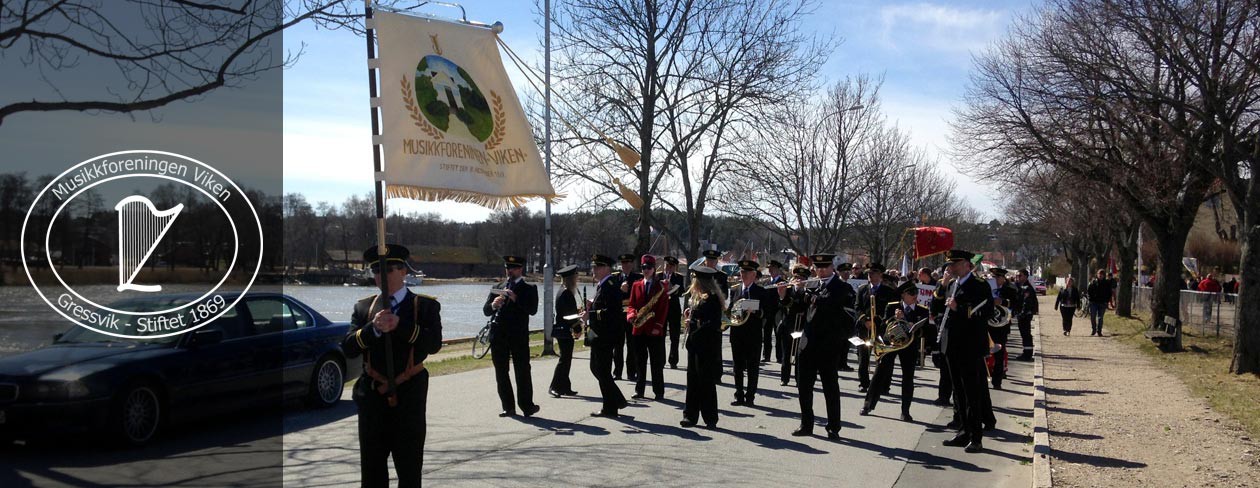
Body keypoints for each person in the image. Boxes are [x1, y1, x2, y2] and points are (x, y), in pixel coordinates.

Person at [344, 244, 443, 488]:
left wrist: (400, 325)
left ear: (403, 272)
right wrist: (373, 329)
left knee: (409, 468)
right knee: (372, 469)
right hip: (372, 395)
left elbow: (433, 345)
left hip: (409, 394)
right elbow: (348, 346)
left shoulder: (425, 305)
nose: (381, 276)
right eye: (376, 271)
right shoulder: (364, 307)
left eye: (388, 270)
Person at [793, 253, 856, 440]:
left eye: (824, 267)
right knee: (803, 385)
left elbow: (830, 305)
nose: (820, 271)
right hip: (808, 342)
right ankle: (806, 424)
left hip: (829, 344)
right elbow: (798, 310)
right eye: (817, 268)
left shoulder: (842, 287)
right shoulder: (812, 285)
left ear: (831, 268)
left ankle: (833, 426)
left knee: (830, 387)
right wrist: (791, 294)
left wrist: (807, 294)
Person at [939, 249, 994, 453]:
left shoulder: (979, 285)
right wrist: (942, 287)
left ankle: (976, 438)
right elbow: (939, 309)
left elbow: (986, 311)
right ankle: (963, 432)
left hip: (970, 346)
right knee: (958, 392)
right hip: (952, 345)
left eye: (955, 264)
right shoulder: (952, 285)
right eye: (950, 264)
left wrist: (959, 308)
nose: (950, 267)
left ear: (966, 264)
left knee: (972, 393)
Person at [860, 281, 928, 421]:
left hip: (908, 347)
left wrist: (909, 323)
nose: (914, 296)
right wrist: (894, 319)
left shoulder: (922, 310)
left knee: (908, 378)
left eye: (916, 293)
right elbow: (884, 325)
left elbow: (926, 331)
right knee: (880, 373)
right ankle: (868, 404)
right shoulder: (892, 307)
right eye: (910, 294)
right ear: (903, 295)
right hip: (890, 345)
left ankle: (905, 411)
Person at [482, 256, 540, 418]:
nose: (510, 271)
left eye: (513, 268)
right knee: (501, 371)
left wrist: (516, 299)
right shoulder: (497, 287)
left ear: (520, 269)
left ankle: (527, 405)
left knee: (522, 371)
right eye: (508, 268)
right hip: (498, 335)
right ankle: (508, 407)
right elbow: (486, 310)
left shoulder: (529, 288)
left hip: (518, 336)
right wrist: (494, 305)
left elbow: (532, 309)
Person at [582, 254, 628, 418]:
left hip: (606, 336)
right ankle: (617, 400)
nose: (594, 270)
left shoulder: (610, 285)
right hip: (599, 334)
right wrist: (590, 306)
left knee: (602, 370)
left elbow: (612, 312)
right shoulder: (603, 285)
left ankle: (610, 407)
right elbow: (601, 307)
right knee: (597, 369)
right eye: (594, 267)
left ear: (607, 268)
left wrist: (591, 315)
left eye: (597, 267)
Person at [680, 265, 725, 429]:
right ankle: (690, 415)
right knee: (692, 381)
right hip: (695, 344)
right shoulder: (697, 297)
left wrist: (692, 323)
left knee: (705, 382)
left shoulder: (711, 299)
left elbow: (710, 324)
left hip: (705, 345)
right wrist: (690, 318)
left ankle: (710, 417)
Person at [627, 255, 670, 400]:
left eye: (649, 268)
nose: (646, 270)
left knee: (656, 362)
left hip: (654, 329)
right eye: (644, 268)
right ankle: (639, 390)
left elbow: (664, 308)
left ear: (654, 269)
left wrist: (658, 326)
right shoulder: (636, 285)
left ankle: (659, 391)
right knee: (640, 361)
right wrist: (631, 315)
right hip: (638, 328)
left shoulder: (660, 287)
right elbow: (631, 304)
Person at [729, 259, 768, 406]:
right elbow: (731, 310)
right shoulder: (735, 290)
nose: (743, 274)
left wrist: (756, 311)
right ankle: (738, 394)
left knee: (752, 367)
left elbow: (766, 314)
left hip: (753, 334)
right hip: (737, 333)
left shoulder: (761, 292)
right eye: (742, 272)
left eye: (747, 272)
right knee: (737, 367)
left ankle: (750, 396)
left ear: (753, 275)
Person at [856, 263, 899, 393]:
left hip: (881, 328)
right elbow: (857, 307)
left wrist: (879, 321)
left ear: (880, 275)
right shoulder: (862, 289)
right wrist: (865, 320)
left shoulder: (889, 291)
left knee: (884, 358)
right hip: (865, 328)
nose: (870, 275)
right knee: (863, 357)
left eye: (873, 273)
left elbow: (892, 310)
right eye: (869, 273)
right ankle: (864, 383)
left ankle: (884, 385)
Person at [549, 265, 581, 398]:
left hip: (562, 328)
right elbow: (569, 315)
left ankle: (565, 386)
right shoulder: (566, 293)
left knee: (567, 358)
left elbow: (569, 311)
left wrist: (577, 312)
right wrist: (577, 327)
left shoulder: (563, 291)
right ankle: (554, 386)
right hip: (564, 329)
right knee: (564, 359)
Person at [778, 264, 812, 386]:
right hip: (788, 326)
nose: (799, 280)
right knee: (786, 354)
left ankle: (799, 378)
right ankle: (784, 378)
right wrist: (782, 296)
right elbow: (783, 305)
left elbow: (805, 308)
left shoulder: (809, 292)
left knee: (800, 354)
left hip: (802, 327)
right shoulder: (787, 290)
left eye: (803, 278)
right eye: (797, 277)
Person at [613, 254, 644, 381]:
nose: (625, 266)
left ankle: (631, 372)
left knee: (632, 345)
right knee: (618, 345)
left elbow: (641, 297)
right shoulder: (615, 278)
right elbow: (612, 297)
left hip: (632, 315)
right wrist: (620, 290)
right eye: (623, 263)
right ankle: (617, 372)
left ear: (632, 264)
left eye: (628, 263)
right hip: (619, 316)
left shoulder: (638, 278)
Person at [988, 268, 1017, 389]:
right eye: (993, 277)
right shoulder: (986, 289)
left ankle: (997, 381)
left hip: (1001, 326)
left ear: (1002, 278)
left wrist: (1003, 302)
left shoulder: (1010, 290)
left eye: (996, 278)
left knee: (999, 354)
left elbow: (1016, 305)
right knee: (984, 352)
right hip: (987, 325)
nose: (994, 280)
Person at [663, 256, 685, 369]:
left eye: (671, 266)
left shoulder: (679, 278)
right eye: (667, 265)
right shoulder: (658, 276)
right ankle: (660, 360)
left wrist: (673, 289)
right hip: (661, 309)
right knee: (660, 335)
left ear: (675, 267)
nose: (668, 268)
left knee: (674, 336)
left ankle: (673, 360)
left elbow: (682, 291)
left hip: (674, 309)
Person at [835, 262, 857, 372]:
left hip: (848, 320)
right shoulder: (836, 284)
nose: (847, 273)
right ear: (839, 272)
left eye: (849, 271)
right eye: (845, 271)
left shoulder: (848, 286)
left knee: (846, 343)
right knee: (837, 344)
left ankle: (843, 363)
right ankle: (836, 363)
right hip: (838, 319)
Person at [1013, 269, 1039, 361]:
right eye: (1017, 276)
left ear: (1025, 277)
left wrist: (1022, 314)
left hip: (1025, 315)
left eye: (1020, 276)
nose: (1017, 278)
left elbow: (1026, 303)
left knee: (1026, 334)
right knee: (1024, 334)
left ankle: (1027, 354)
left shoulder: (1027, 288)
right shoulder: (1021, 287)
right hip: (1023, 314)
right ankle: (1026, 352)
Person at [764, 260, 786, 362]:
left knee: (778, 335)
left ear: (777, 269)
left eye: (772, 269)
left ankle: (779, 356)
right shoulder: (766, 282)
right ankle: (766, 356)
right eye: (769, 269)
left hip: (778, 312)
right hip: (768, 312)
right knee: (767, 335)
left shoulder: (782, 282)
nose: (770, 270)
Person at [1086, 269, 1111, 336]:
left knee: (1100, 317)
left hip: (1102, 303)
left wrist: (1107, 301)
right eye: (1099, 274)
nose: (1100, 275)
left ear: (1104, 275)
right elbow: (1089, 291)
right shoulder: (1093, 282)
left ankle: (1099, 330)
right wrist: (1090, 299)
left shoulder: (1106, 283)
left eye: (1102, 274)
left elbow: (1109, 293)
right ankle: (1094, 329)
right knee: (1093, 317)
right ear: (1097, 275)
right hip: (1093, 302)